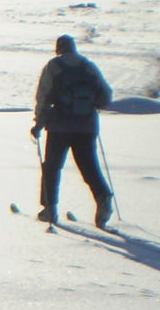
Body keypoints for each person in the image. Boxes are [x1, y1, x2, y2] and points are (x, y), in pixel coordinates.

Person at [31, 34, 113, 227]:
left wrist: (38, 124)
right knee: (89, 166)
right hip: (86, 126)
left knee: (52, 167)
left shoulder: (53, 66)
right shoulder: (87, 66)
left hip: (60, 126)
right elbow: (106, 95)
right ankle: (103, 197)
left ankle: (50, 209)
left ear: (58, 48)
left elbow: (43, 97)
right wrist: (92, 106)